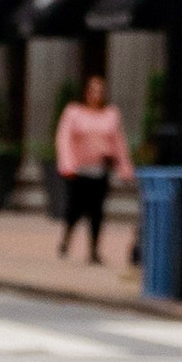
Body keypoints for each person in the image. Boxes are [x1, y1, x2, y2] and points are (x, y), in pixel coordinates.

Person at [53, 70, 131, 261]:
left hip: (100, 169)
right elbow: (64, 138)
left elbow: (118, 142)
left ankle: (94, 251)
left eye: (100, 91)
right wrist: (67, 165)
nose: (97, 95)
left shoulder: (110, 114)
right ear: (86, 93)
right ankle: (66, 239)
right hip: (79, 170)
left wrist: (124, 166)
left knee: (97, 211)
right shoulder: (74, 112)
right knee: (75, 209)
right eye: (93, 91)